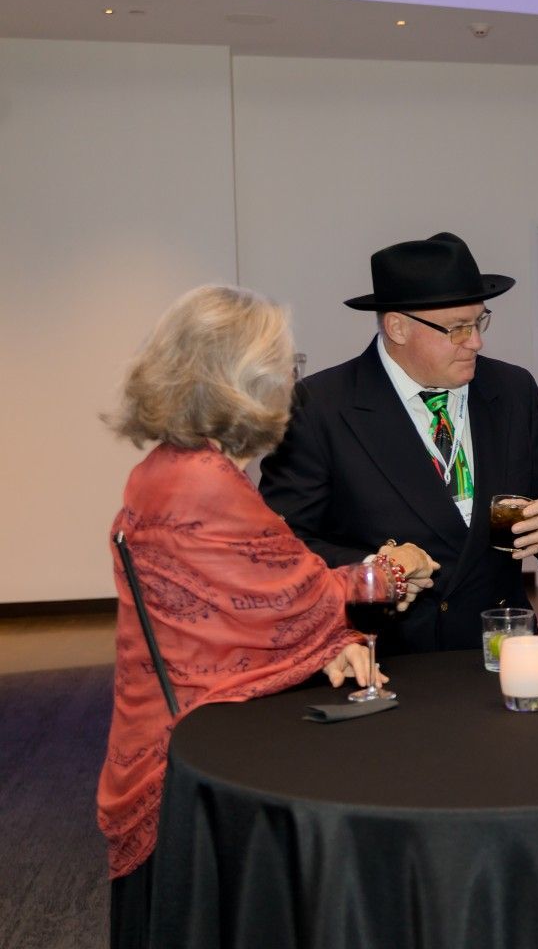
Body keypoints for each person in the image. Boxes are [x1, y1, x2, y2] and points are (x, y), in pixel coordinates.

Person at [98, 285, 435, 948]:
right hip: (191, 760)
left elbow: (256, 597)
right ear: (241, 379)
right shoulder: (205, 482)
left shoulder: (164, 469)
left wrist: (336, 620)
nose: (292, 377)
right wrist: (393, 569)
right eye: (287, 362)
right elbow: (293, 599)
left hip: (161, 734)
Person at [260, 232, 538, 654]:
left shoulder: (512, 389)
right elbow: (282, 545)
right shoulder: (321, 407)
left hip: (501, 648)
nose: (476, 342)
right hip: (389, 654)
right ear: (398, 327)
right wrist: (378, 570)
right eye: (457, 328)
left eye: (480, 321)